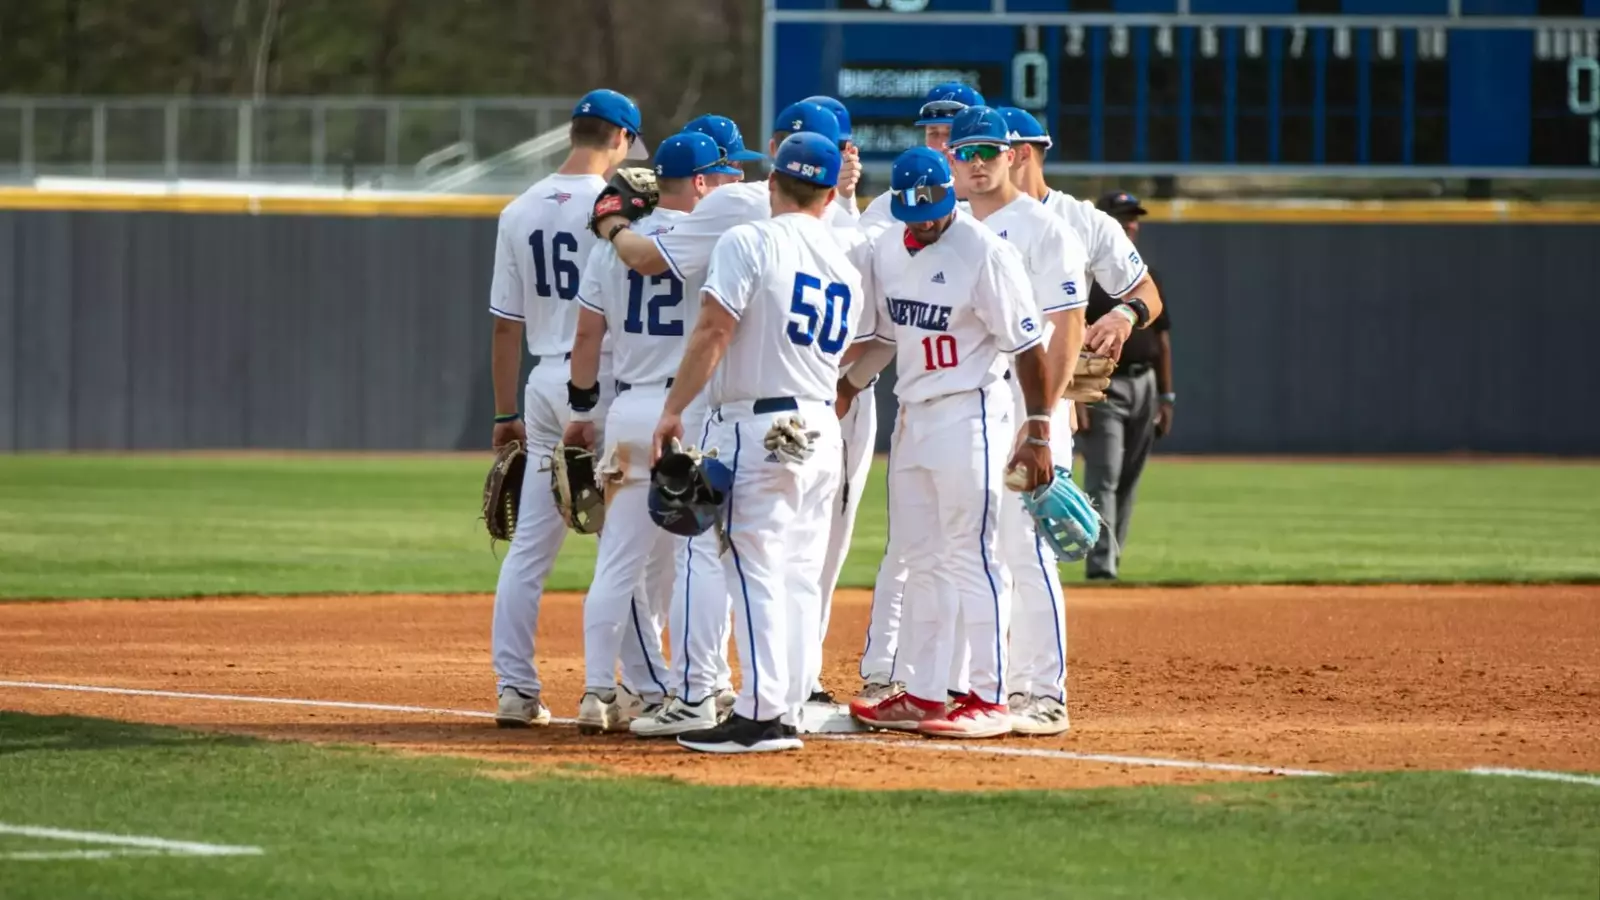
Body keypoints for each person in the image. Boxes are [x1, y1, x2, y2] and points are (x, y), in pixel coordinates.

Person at [648, 132, 870, 754]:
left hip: (758, 422)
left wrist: (673, 409)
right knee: (799, 571)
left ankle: (760, 715)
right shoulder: (843, 264)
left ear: (772, 182)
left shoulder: (749, 239)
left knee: (751, 565)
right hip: (821, 425)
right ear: (830, 194)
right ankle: (789, 704)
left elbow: (715, 329)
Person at [839, 146, 1060, 739]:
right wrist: (850, 385)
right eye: (917, 212)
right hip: (911, 414)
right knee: (923, 556)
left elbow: (1027, 347)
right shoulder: (887, 246)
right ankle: (926, 692)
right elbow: (886, 334)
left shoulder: (985, 251)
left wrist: (1038, 429)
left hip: (970, 413)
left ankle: (987, 695)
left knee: (972, 554)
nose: (927, 221)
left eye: (935, 208)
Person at [562, 131, 740, 734]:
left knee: (617, 564)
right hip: (687, 411)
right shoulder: (713, 241)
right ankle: (705, 685)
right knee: (700, 558)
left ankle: (594, 692)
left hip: (630, 408)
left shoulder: (607, 248)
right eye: (717, 175)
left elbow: (587, 340)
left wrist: (583, 410)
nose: (724, 185)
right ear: (698, 182)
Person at [486, 88, 647, 727]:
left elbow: (504, 326)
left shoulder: (518, 209)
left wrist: (503, 415)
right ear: (621, 140)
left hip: (542, 383)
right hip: (604, 384)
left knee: (530, 546)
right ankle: (609, 691)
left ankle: (514, 690)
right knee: (623, 544)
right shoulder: (623, 207)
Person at [946, 106, 1089, 736]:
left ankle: (1044, 692)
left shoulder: (1043, 228)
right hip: (970, 406)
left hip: (1027, 405)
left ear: (1014, 155)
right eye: (964, 152)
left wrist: (1043, 420)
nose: (976, 164)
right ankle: (983, 688)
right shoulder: (948, 226)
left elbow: (1068, 327)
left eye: (988, 152)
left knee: (1026, 548)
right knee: (974, 549)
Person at [998, 106, 1164, 360]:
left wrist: (1125, 315)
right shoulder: (962, 217)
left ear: (1021, 155)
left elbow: (1145, 289)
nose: (976, 162)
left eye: (988, 151)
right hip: (978, 386)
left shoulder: (1083, 220)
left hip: (1050, 385)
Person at [1078, 190, 1173, 582]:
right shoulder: (1088, 275)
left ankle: (1112, 559)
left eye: (1134, 217)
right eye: (1122, 216)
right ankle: (1101, 566)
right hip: (1104, 385)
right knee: (1105, 475)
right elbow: (1071, 336)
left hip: (1145, 383)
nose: (1131, 223)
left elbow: (1162, 338)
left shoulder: (1145, 277)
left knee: (1129, 477)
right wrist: (1076, 395)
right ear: (1104, 222)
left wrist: (1166, 395)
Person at [856, 81, 985, 237]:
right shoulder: (897, 200)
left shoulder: (1002, 202)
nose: (942, 145)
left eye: (950, 133)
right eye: (933, 133)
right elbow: (864, 246)